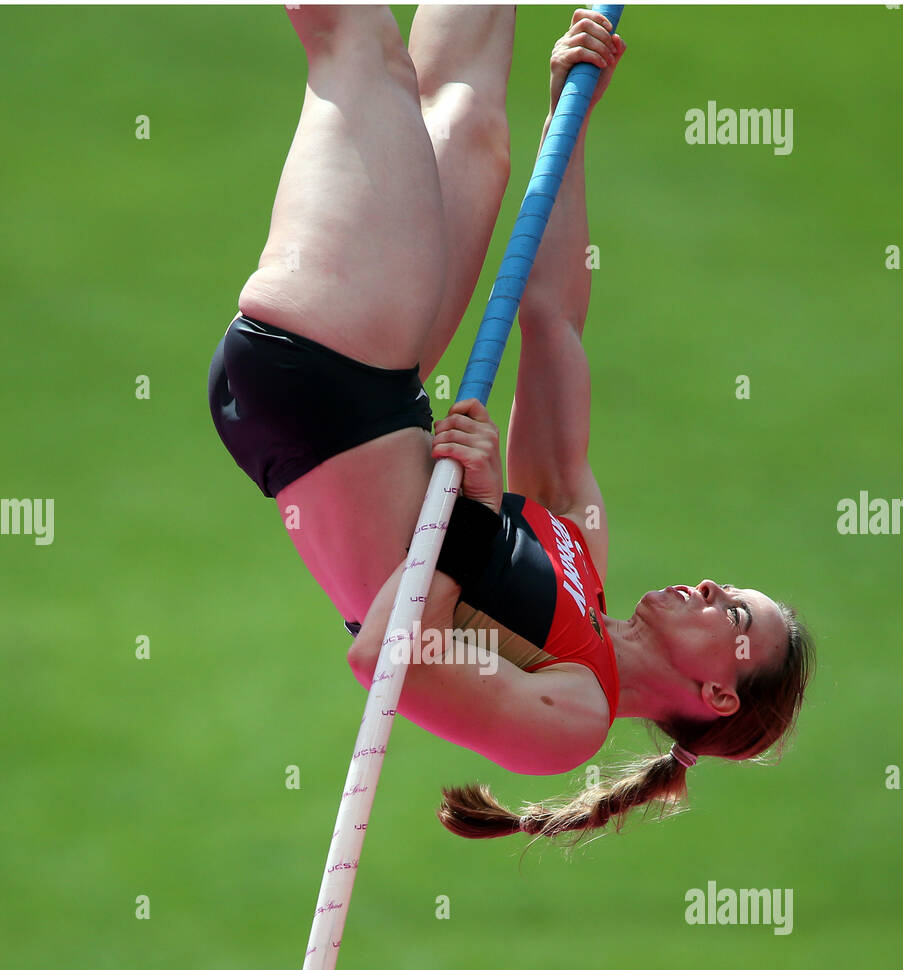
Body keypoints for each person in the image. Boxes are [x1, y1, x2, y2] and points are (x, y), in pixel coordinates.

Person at [208, 6, 814, 847]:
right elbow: (552, 319)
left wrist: (471, 513)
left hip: (320, 394)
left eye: (737, 622)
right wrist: (573, 113)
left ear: (717, 694)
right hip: (380, 386)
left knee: (357, 46)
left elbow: (390, 660)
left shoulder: (569, 718)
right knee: (464, 114)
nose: (713, 589)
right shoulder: (581, 552)